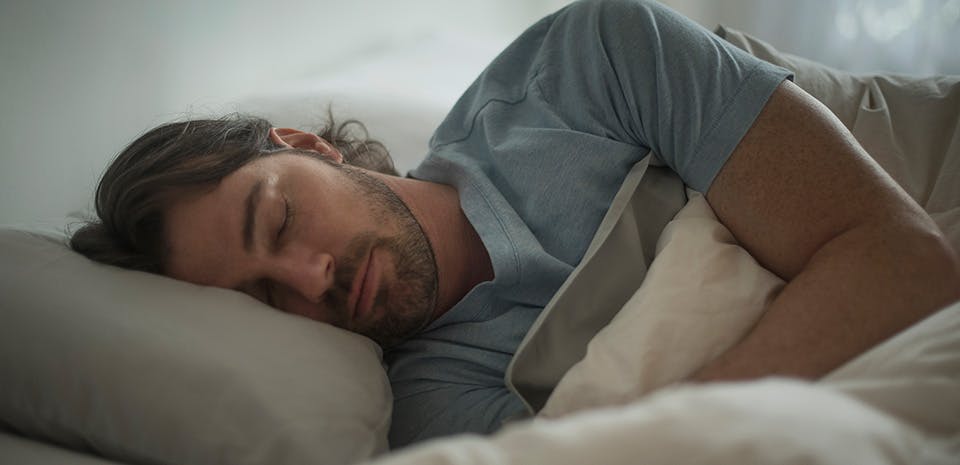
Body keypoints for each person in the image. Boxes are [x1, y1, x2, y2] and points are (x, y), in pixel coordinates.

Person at [70, 0, 960, 449]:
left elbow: (904, 256)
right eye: (265, 299)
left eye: (278, 220)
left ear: (307, 144)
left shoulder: (581, 65)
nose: (310, 279)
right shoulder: (433, 408)